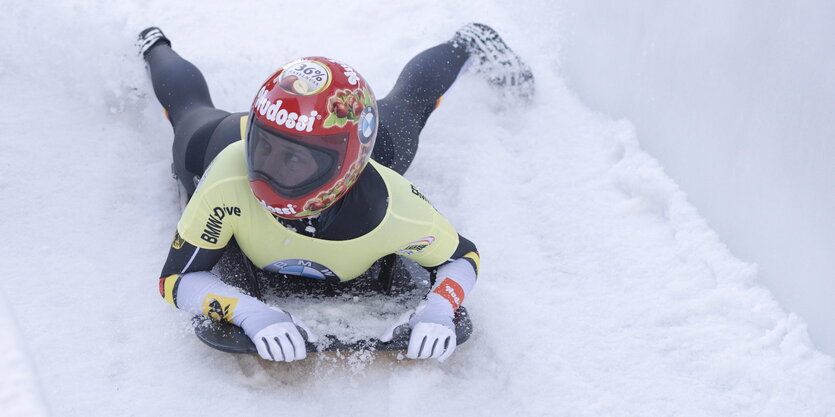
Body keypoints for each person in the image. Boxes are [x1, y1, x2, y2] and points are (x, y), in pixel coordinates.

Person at [140, 24, 533, 363]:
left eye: (294, 159)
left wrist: (440, 309)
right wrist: (248, 313)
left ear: (345, 165)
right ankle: (154, 45)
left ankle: (467, 40)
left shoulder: (396, 207)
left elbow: (462, 256)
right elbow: (176, 279)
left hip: (366, 151)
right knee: (188, 112)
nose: (268, 171)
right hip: (223, 138)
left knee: (411, 100)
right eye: (263, 146)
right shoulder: (229, 171)